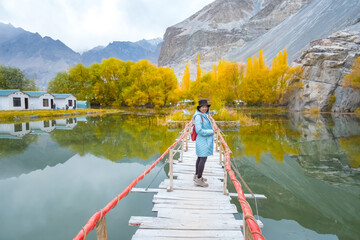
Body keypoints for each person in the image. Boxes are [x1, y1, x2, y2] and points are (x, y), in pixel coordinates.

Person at [193, 99, 214, 187]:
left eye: (206, 107)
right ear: (199, 108)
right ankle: (199, 179)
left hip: (203, 140)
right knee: (203, 159)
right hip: (202, 140)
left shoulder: (203, 115)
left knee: (200, 158)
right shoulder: (198, 116)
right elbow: (199, 130)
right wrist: (211, 131)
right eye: (203, 107)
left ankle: (197, 175)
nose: (204, 108)